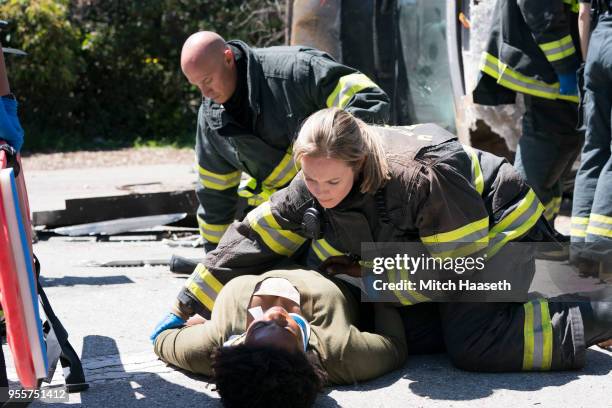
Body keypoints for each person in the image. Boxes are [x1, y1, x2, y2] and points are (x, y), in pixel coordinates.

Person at [155, 107, 612, 372]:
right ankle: (581, 280)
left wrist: (373, 274)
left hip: (497, 228)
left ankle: (600, 309)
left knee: (473, 344)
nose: (319, 193)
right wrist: (185, 306)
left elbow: (460, 272)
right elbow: (252, 238)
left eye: (331, 183)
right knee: (417, 330)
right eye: (310, 181)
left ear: (358, 164)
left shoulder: (420, 177)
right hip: (449, 253)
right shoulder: (316, 177)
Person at [181, 31, 389, 251]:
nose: (206, 93)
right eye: (197, 86)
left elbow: (368, 98)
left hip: (349, 204)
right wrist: (215, 252)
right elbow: (214, 192)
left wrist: (336, 151)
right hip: (290, 216)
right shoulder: (211, 120)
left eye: (207, 80)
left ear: (228, 58)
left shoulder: (295, 71)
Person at [151, 266, 407, 408]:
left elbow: (163, 338)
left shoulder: (211, 346)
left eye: (260, 328)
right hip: (335, 254)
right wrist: (371, 280)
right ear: (307, 360)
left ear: (240, 344)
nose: (276, 315)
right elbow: (395, 344)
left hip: (260, 247)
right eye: (287, 329)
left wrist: (191, 318)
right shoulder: (342, 353)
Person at [473, 0, 585, 228]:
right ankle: (521, 232)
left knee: (559, 151)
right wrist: (565, 66)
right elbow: (539, 9)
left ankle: (541, 230)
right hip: (547, 65)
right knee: (548, 146)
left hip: (546, 62)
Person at [571, 0, 612, 280]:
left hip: (596, 44)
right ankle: (601, 247)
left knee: (594, 150)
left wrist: (587, 65)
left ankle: (580, 252)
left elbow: (583, 13)